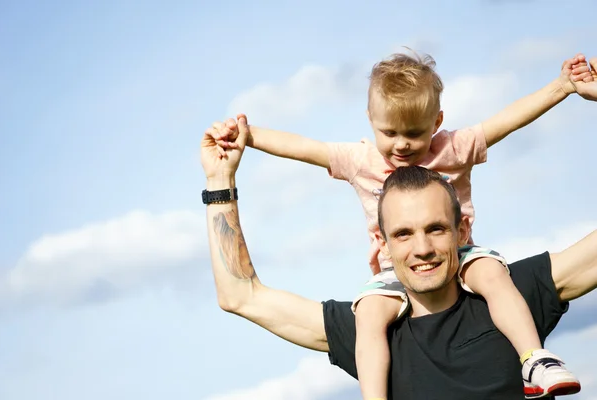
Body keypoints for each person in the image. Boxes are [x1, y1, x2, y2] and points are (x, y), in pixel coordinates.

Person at [210, 51, 591, 398]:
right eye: (389, 133)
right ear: (383, 237)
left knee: (493, 275)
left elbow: (506, 121)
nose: (402, 145)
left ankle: (535, 360)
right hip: (389, 276)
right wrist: (244, 142)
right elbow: (305, 148)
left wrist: (563, 87)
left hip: (468, 257)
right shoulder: (361, 159)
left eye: (435, 228)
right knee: (369, 317)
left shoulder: (452, 149)